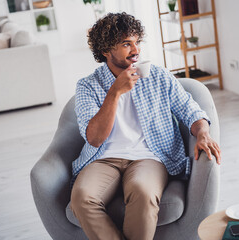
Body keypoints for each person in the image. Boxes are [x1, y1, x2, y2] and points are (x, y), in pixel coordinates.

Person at [70, 12, 221, 240]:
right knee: (82, 197)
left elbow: (191, 110)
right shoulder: (88, 86)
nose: (136, 50)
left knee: (143, 191)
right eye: (126, 44)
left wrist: (202, 133)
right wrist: (115, 92)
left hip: (149, 157)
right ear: (105, 50)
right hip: (103, 158)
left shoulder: (159, 77)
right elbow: (94, 138)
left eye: (137, 42)